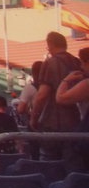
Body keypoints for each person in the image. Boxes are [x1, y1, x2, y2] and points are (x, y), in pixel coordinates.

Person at [29, 31, 82, 161]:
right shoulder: (77, 62)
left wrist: (34, 118)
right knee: (72, 164)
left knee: (51, 165)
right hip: (75, 123)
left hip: (53, 123)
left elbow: (42, 95)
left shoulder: (50, 62)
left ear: (51, 44)